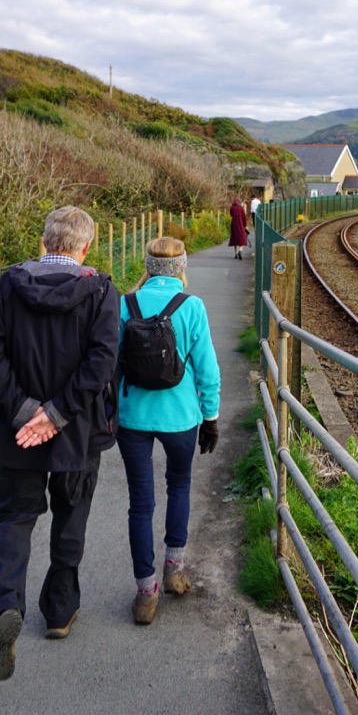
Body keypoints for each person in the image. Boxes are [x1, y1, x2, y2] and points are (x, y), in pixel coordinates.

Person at [0, 205, 120, 681]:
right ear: (85, 247)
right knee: (71, 513)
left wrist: (26, 412)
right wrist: (55, 415)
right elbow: (101, 363)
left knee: (15, 516)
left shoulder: (5, 286)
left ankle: (2, 609)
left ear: (44, 242)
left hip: (16, 431)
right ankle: (59, 611)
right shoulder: (101, 291)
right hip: (78, 429)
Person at [117, 237, 220, 624]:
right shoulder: (192, 307)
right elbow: (207, 370)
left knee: (139, 503)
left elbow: (111, 362)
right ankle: (174, 570)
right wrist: (210, 417)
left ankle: (146, 594)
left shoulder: (125, 304)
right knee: (179, 485)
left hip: (132, 419)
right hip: (181, 419)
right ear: (181, 267)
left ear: (148, 266)